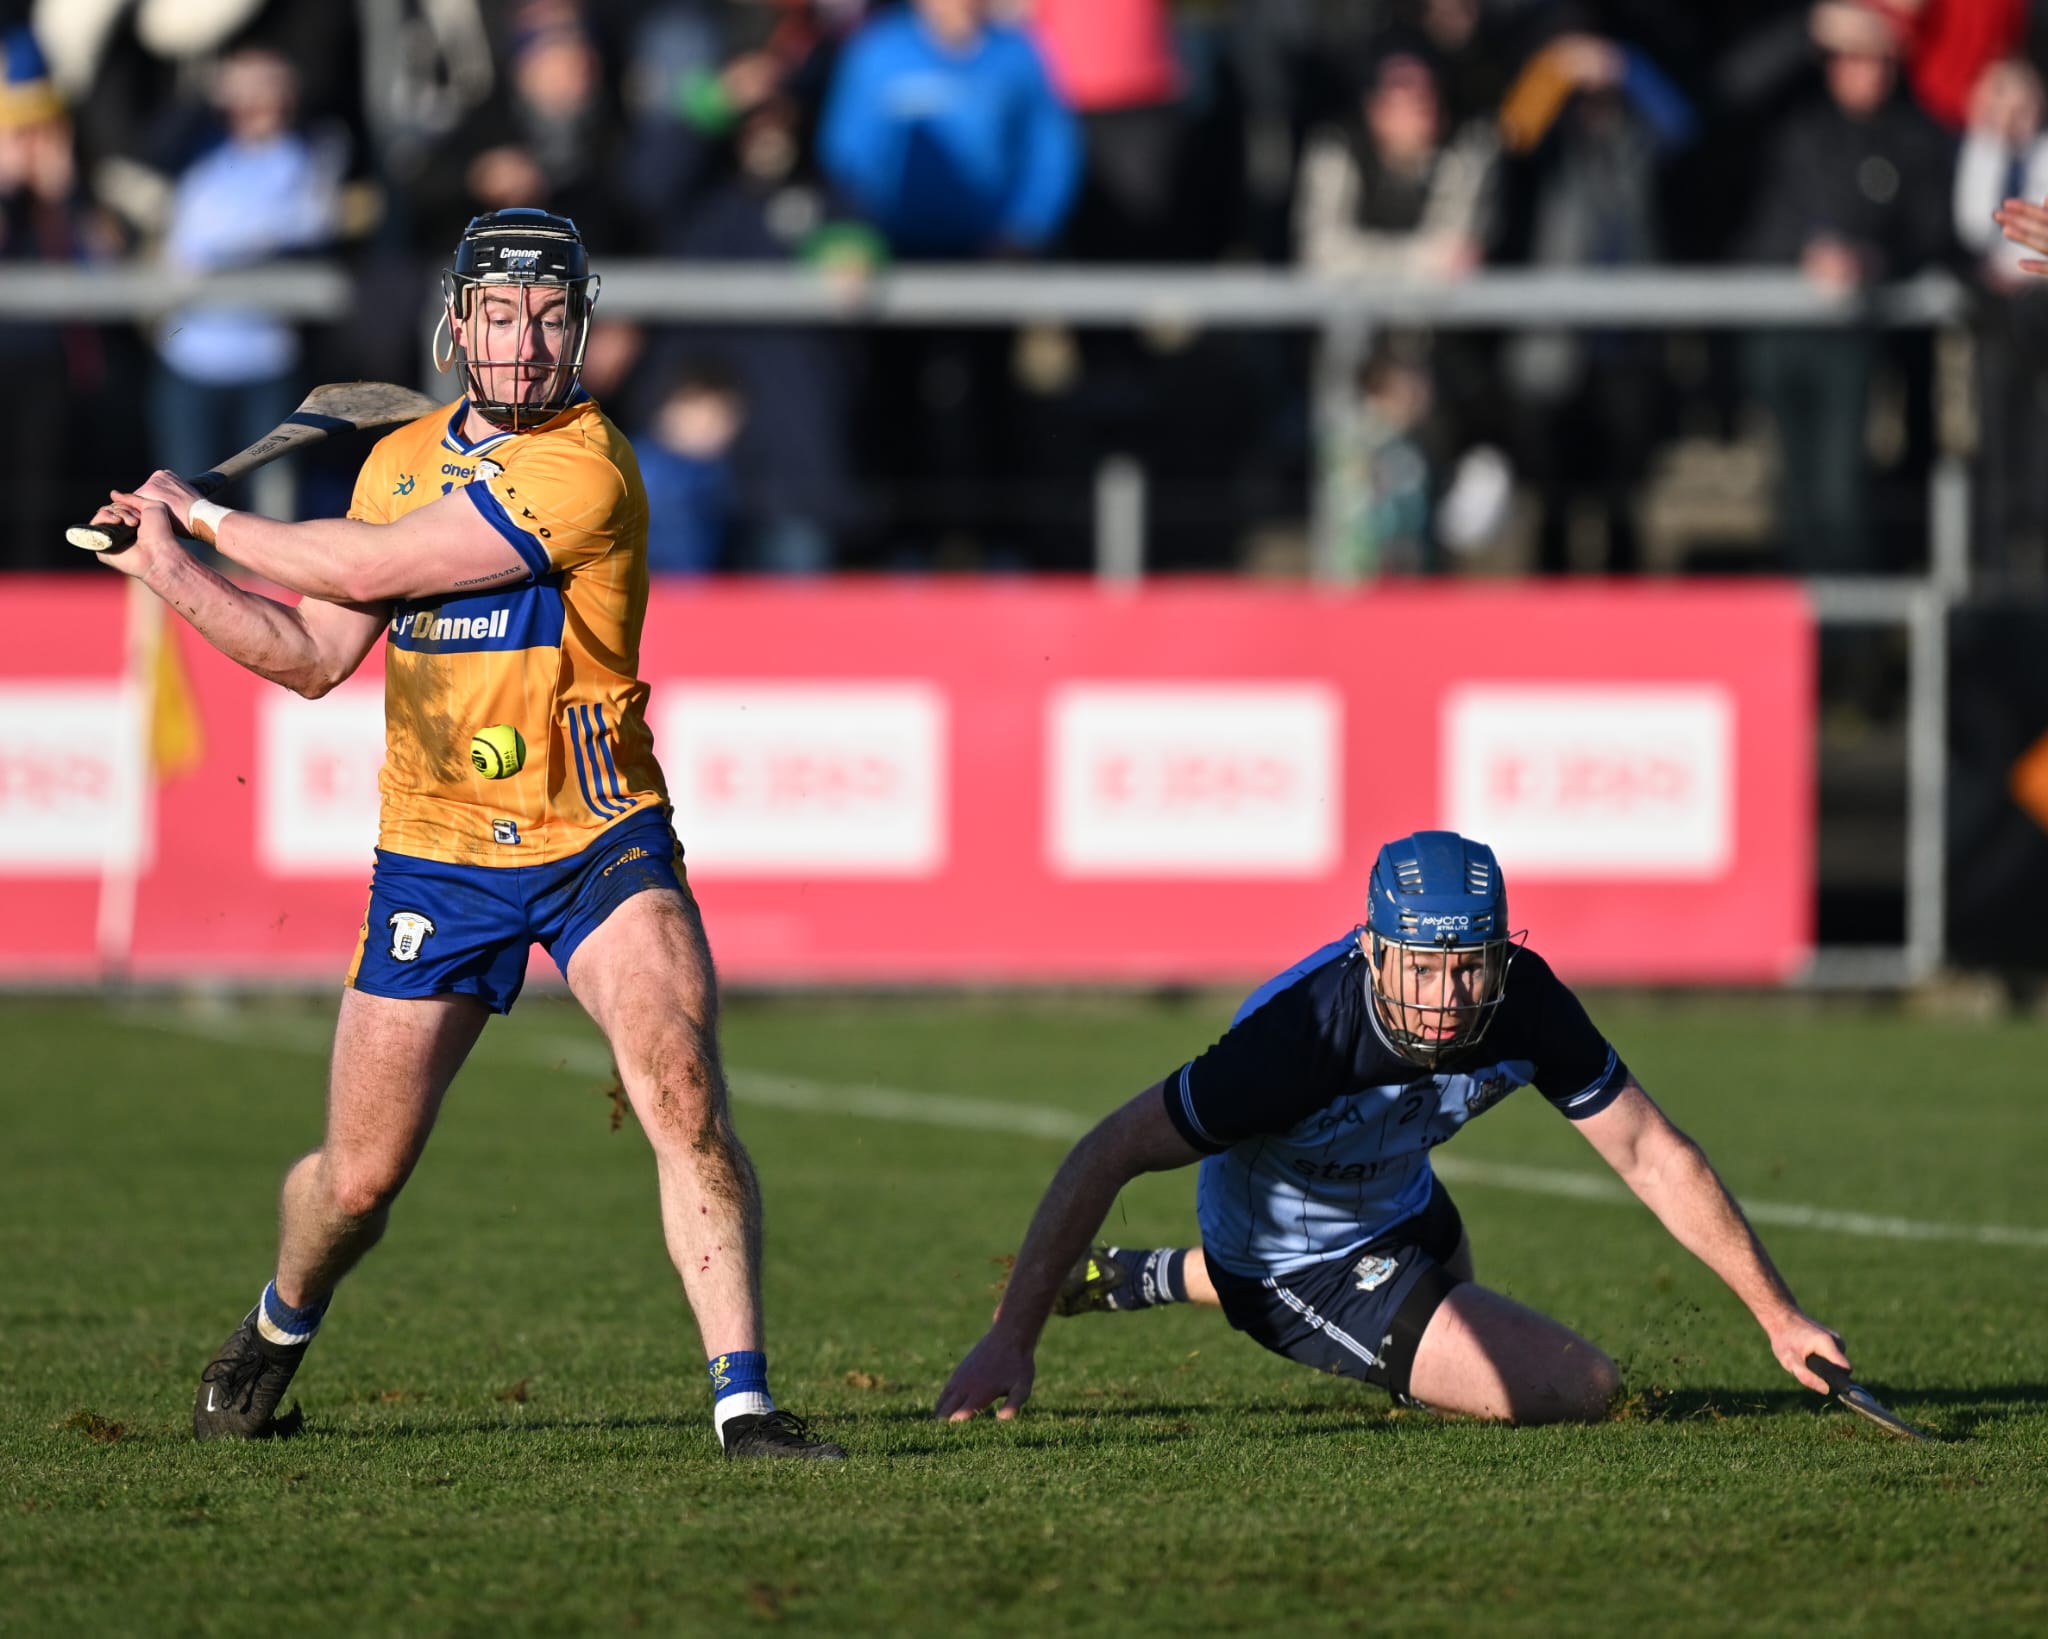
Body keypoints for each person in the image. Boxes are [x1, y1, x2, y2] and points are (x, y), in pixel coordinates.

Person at [84, 207, 844, 1461]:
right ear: (458, 323)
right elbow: (316, 653)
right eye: (501, 314)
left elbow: (375, 569)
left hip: (597, 834)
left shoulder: (585, 466)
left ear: (582, 330)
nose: (526, 340)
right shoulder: (395, 461)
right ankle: (280, 1323)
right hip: (436, 852)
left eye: (551, 317)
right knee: (358, 1182)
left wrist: (208, 521)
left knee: (681, 1084)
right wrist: (166, 567)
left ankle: (743, 1402)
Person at [937, 830, 1849, 1426]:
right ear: (1372, 950)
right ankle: (1193, 1276)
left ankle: (1147, 1276)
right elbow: (1110, 1150)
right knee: (1581, 1388)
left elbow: (1651, 1152)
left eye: (1471, 966)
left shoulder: (1523, 1002)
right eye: (1422, 965)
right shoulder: (1298, 1039)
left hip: (1407, 1204)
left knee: (1465, 1343)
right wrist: (1012, 1338)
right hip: (1291, 1261)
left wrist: (1778, 1315)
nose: (1449, 997)